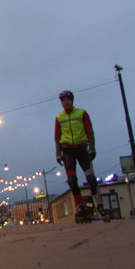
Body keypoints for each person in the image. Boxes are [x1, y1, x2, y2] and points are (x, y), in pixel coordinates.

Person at [55, 90, 109, 222]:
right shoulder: (59, 118)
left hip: (81, 148)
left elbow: (89, 132)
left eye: (68, 99)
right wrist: (58, 154)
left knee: (91, 179)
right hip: (67, 151)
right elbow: (57, 138)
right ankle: (80, 207)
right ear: (61, 103)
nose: (66, 102)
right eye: (63, 100)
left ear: (72, 101)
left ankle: (100, 205)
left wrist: (92, 148)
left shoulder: (82, 113)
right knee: (72, 181)